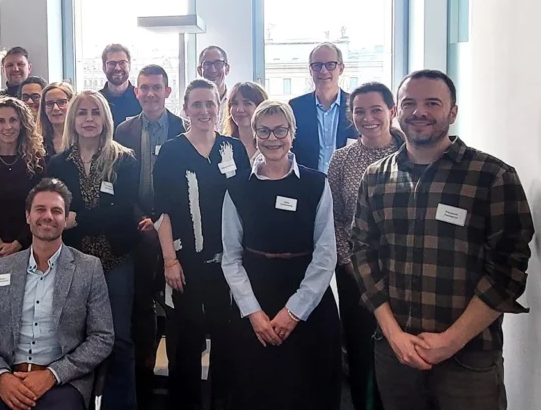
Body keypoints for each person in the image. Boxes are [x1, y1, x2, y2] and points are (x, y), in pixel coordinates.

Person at [351, 70, 534, 410]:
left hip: (469, 358)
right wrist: (393, 335)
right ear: (397, 112)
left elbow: (508, 272)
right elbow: (362, 253)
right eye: (409, 103)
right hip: (395, 352)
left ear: (452, 112)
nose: (419, 112)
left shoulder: (492, 176)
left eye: (432, 103)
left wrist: (450, 342)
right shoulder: (376, 177)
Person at [221, 100, 340, 410]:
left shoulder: (317, 184)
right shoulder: (236, 188)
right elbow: (231, 256)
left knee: (307, 392)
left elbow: (326, 254)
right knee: (256, 392)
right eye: (264, 131)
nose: (272, 138)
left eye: (280, 130)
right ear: (255, 133)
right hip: (255, 304)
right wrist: (253, 313)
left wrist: (294, 312)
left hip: (308, 305)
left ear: (293, 132)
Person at [0, 178, 115, 410]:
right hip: (4, 378)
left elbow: (102, 337)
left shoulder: (89, 269)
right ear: (28, 216)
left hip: (61, 383)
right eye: (40, 209)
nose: (48, 217)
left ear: (65, 219)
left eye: (56, 211)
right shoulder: (1, 268)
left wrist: (53, 374)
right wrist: (0, 376)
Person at [153, 78, 250, 410]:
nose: (204, 110)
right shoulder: (172, 151)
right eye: (197, 104)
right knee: (186, 341)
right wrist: (169, 260)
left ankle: (223, 402)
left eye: (210, 103)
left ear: (218, 106)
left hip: (228, 264)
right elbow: (161, 210)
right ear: (185, 109)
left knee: (228, 338)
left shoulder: (233, 149)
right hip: (184, 263)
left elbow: (245, 203)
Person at [46, 90, 140, 410]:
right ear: (73, 119)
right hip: (74, 262)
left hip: (116, 259)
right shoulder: (57, 163)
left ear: (105, 119)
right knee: (75, 339)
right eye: (82, 113)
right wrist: (78, 218)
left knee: (120, 339)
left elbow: (123, 211)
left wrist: (79, 218)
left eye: (95, 113)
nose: (88, 119)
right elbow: (56, 213)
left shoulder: (124, 159)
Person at [326, 82, 403, 410]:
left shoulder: (410, 153)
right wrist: (348, 262)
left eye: (376, 110)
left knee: (399, 349)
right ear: (351, 115)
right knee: (360, 349)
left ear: (392, 112)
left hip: (404, 274)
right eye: (360, 111)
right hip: (354, 272)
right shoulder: (342, 159)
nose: (368, 117)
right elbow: (334, 217)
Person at [113, 64, 185, 409]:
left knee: (177, 310)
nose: (151, 93)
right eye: (145, 88)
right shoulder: (123, 131)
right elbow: (117, 185)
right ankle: (142, 385)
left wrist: (163, 222)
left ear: (167, 91)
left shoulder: (182, 129)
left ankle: (178, 384)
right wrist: (142, 218)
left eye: (157, 87)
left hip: (177, 232)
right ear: (136, 91)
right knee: (140, 309)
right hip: (136, 231)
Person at [0, 97, 47, 279]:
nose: (7, 127)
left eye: (13, 120)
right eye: (1, 121)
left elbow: (39, 206)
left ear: (22, 124)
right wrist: (0, 247)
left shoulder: (36, 161)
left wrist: (18, 244)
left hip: (29, 245)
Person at [288, 42, 358, 172]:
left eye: (330, 64)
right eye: (317, 65)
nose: (323, 71)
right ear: (310, 70)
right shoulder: (296, 107)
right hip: (308, 185)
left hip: (347, 185)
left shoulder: (356, 106)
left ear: (341, 69)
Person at [98, 43, 142, 129]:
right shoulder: (97, 101)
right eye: (111, 63)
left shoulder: (141, 99)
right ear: (103, 67)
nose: (117, 68)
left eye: (122, 63)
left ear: (129, 66)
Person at [224, 82, 269, 161]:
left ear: (260, 108)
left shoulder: (272, 145)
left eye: (247, 103)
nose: (239, 109)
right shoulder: (223, 146)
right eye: (235, 103)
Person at [198, 46, 231, 128]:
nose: (213, 69)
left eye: (218, 63)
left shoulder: (236, 103)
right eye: (207, 64)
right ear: (199, 70)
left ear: (227, 69)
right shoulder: (191, 104)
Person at [38, 82, 73, 158]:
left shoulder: (82, 139)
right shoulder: (37, 143)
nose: (55, 108)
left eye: (61, 102)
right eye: (49, 103)